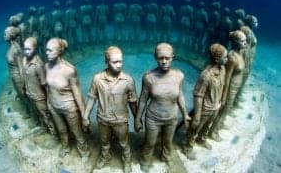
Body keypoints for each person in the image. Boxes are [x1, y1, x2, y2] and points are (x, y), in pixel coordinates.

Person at [135, 43, 191, 171]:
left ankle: (166, 157)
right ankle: (145, 159)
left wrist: (185, 114)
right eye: (161, 58)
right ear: (156, 58)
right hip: (153, 118)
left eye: (167, 58)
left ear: (172, 57)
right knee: (150, 142)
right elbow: (143, 99)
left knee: (168, 141)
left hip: (172, 117)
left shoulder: (179, 76)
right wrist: (138, 119)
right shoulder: (149, 77)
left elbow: (180, 95)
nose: (164, 61)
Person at [83, 46, 137, 173]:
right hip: (103, 119)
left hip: (120, 120)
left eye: (121, 61)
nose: (119, 65)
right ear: (107, 62)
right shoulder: (97, 79)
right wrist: (85, 116)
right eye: (115, 62)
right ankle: (105, 156)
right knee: (104, 141)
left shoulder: (128, 80)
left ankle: (127, 159)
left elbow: (133, 102)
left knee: (124, 143)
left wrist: (137, 119)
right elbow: (92, 98)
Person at [183, 43, 228, 160]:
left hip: (215, 106)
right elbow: (198, 95)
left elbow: (222, 86)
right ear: (217, 59)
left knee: (207, 125)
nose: (227, 59)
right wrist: (197, 115)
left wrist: (221, 101)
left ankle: (202, 139)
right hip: (205, 108)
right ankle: (188, 146)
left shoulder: (223, 69)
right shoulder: (206, 75)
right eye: (225, 57)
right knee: (195, 128)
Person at [45, 38, 88, 158]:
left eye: (50, 50)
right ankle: (65, 147)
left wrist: (84, 116)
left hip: (69, 108)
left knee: (77, 132)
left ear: (59, 51)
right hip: (54, 106)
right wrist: (49, 104)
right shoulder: (46, 66)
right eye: (46, 50)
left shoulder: (69, 70)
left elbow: (77, 94)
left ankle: (84, 151)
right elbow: (48, 87)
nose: (46, 53)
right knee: (62, 130)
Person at [22, 37, 55, 134]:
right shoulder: (24, 60)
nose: (26, 51)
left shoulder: (38, 65)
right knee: (39, 113)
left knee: (46, 115)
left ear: (35, 49)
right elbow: (25, 77)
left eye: (29, 49)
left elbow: (44, 83)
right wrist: (24, 88)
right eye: (25, 49)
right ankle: (45, 128)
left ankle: (54, 133)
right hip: (30, 93)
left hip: (39, 96)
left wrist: (48, 98)